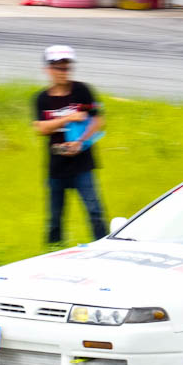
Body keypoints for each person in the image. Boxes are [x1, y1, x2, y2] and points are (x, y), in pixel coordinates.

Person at [32, 45, 107, 244]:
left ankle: (104, 247)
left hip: (82, 165)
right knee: (55, 219)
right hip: (56, 167)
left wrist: (80, 142)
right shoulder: (42, 99)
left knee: (95, 212)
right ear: (48, 70)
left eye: (66, 67)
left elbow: (98, 121)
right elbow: (41, 128)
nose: (63, 72)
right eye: (58, 68)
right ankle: (53, 252)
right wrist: (69, 118)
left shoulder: (82, 91)